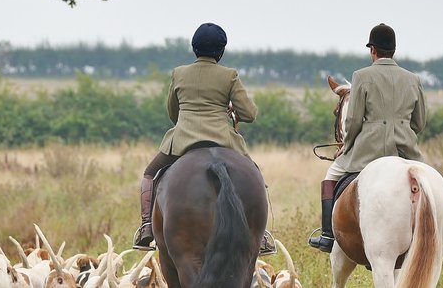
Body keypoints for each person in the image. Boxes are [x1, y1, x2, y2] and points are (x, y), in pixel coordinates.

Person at [132, 23, 276, 255]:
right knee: (255, 174)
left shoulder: (179, 73)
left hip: (181, 140)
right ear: (221, 50)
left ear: (194, 48)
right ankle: (261, 236)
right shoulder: (229, 75)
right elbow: (249, 114)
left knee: (150, 173)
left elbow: (172, 112)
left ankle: (146, 226)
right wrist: (229, 109)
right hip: (223, 139)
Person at [308, 23, 426, 252]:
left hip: (367, 150)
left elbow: (352, 122)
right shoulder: (413, 79)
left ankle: (327, 235)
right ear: (393, 50)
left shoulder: (361, 76)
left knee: (330, 175)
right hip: (405, 151)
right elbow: (419, 123)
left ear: (373, 50)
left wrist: (347, 146)